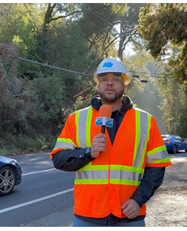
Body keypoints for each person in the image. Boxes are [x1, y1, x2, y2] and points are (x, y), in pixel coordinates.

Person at [50, 57, 171, 227]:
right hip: (88, 216)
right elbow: (59, 159)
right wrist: (88, 153)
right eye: (104, 79)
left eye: (115, 79)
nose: (109, 83)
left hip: (129, 216)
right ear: (98, 85)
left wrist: (138, 200)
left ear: (124, 86)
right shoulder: (76, 119)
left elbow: (157, 166)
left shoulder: (145, 121)